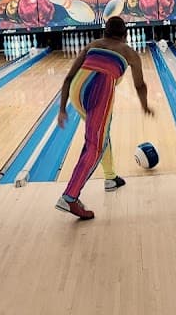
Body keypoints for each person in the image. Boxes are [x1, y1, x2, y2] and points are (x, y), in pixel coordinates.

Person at [56, 15, 153, 220]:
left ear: (104, 33)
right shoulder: (129, 52)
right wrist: (145, 106)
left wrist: (62, 108)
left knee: (100, 136)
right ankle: (70, 197)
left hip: (76, 91)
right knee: (95, 145)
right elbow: (140, 85)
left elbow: (69, 78)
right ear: (126, 35)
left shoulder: (93, 45)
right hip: (100, 91)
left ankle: (110, 178)